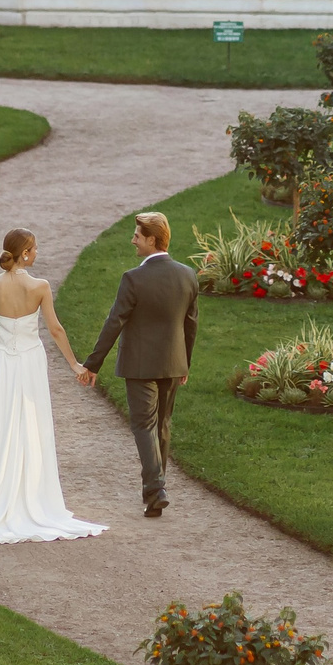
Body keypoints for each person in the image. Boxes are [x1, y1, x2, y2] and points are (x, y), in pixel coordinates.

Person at [0, 228, 106, 543]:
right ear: (26, 252)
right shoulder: (40, 286)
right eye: (35, 248)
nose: (37, 252)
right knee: (32, 424)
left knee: (1, 424)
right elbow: (55, 329)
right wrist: (75, 364)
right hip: (30, 360)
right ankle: (32, 495)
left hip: (3, 361)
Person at [80, 210, 198, 519]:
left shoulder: (133, 278)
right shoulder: (187, 274)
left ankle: (156, 490)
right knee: (162, 425)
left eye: (137, 236)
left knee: (144, 425)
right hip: (174, 363)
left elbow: (114, 322)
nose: (133, 240)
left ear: (152, 240)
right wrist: (185, 362)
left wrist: (93, 364)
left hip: (139, 365)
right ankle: (154, 495)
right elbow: (191, 324)